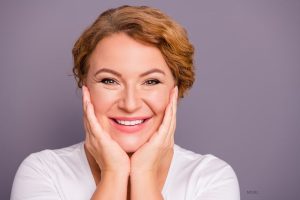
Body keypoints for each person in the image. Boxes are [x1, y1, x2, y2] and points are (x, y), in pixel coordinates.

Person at [10, 5, 240, 200]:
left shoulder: (211, 178)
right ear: (85, 87)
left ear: (177, 89)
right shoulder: (42, 172)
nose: (130, 104)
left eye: (151, 81)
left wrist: (143, 173)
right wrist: (114, 172)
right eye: (110, 80)